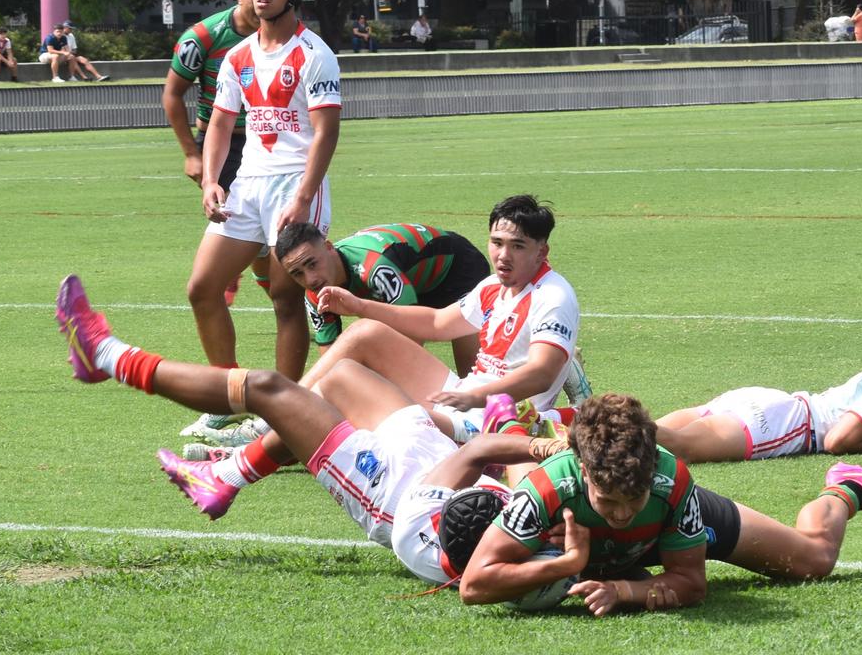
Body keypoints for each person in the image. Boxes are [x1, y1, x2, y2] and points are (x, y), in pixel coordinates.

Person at [53, 274, 558, 584]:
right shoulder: (570, 535)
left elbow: (489, 455)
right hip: (445, 470)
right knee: (340, 377)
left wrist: (523, 433)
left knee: (271, 390)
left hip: (394, 490)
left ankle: (108, 357)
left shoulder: (496, 556)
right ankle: (227, 475)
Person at [453, 393, 862, 616]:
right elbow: (474, 586)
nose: (622, 512)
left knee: (814, 560)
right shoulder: (545, 490)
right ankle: (513, 427)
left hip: (659, 533)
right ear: (583, 474)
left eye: (632, 498)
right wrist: (568, 564)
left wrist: (623, 591)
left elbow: (690, 584)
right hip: (596, 544)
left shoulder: (670, 482)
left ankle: (848, 489)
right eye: (608, 501)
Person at [188, 0, 341, 409]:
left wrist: (304, 196)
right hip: (247, 185)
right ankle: (228, 399)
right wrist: (213, 180)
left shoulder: (315, 54)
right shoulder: (237, 56)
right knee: (202, 289)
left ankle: (283, 410)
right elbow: (219, 123)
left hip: (295, 184)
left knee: (284, 299)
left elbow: (326, 132)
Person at [312, 195, 592, 442]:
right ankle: (280, 415)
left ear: (541, 252)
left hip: (496, 419)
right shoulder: (492, 286)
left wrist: (475, 398)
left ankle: (283, 427)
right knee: (363, 335)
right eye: (497, 243)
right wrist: (360, 305)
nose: (503, 255)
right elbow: (437, 323)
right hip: (464, 397)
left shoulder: (554, 296)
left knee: (393, 419)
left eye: (517, 246)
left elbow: (542, 374)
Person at [654, 323, 862, 463]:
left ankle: (601, 417)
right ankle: (600, 413)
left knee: (647, 436)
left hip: (774, 406)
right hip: (781, 426)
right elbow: (837, 440)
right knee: (672, 447)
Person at [162, 0, 270, 323]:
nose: (261, 6)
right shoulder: (204, 37)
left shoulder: (279, 34)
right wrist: (191, 154)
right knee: (234, 210)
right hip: (218, 138)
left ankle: (261, 276)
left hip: (265, 138)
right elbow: (173, 95)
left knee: (265, 217)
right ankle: (231, 274)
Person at [276, 221, 491, 381]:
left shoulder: (375, 267)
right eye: (297, 274)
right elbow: (331, 360)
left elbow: (412, 338)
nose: (310, 279)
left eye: (312, 264)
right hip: (412, 282)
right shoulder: (315, 292)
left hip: (457, 268)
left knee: (472, 376)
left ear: (329, 247)